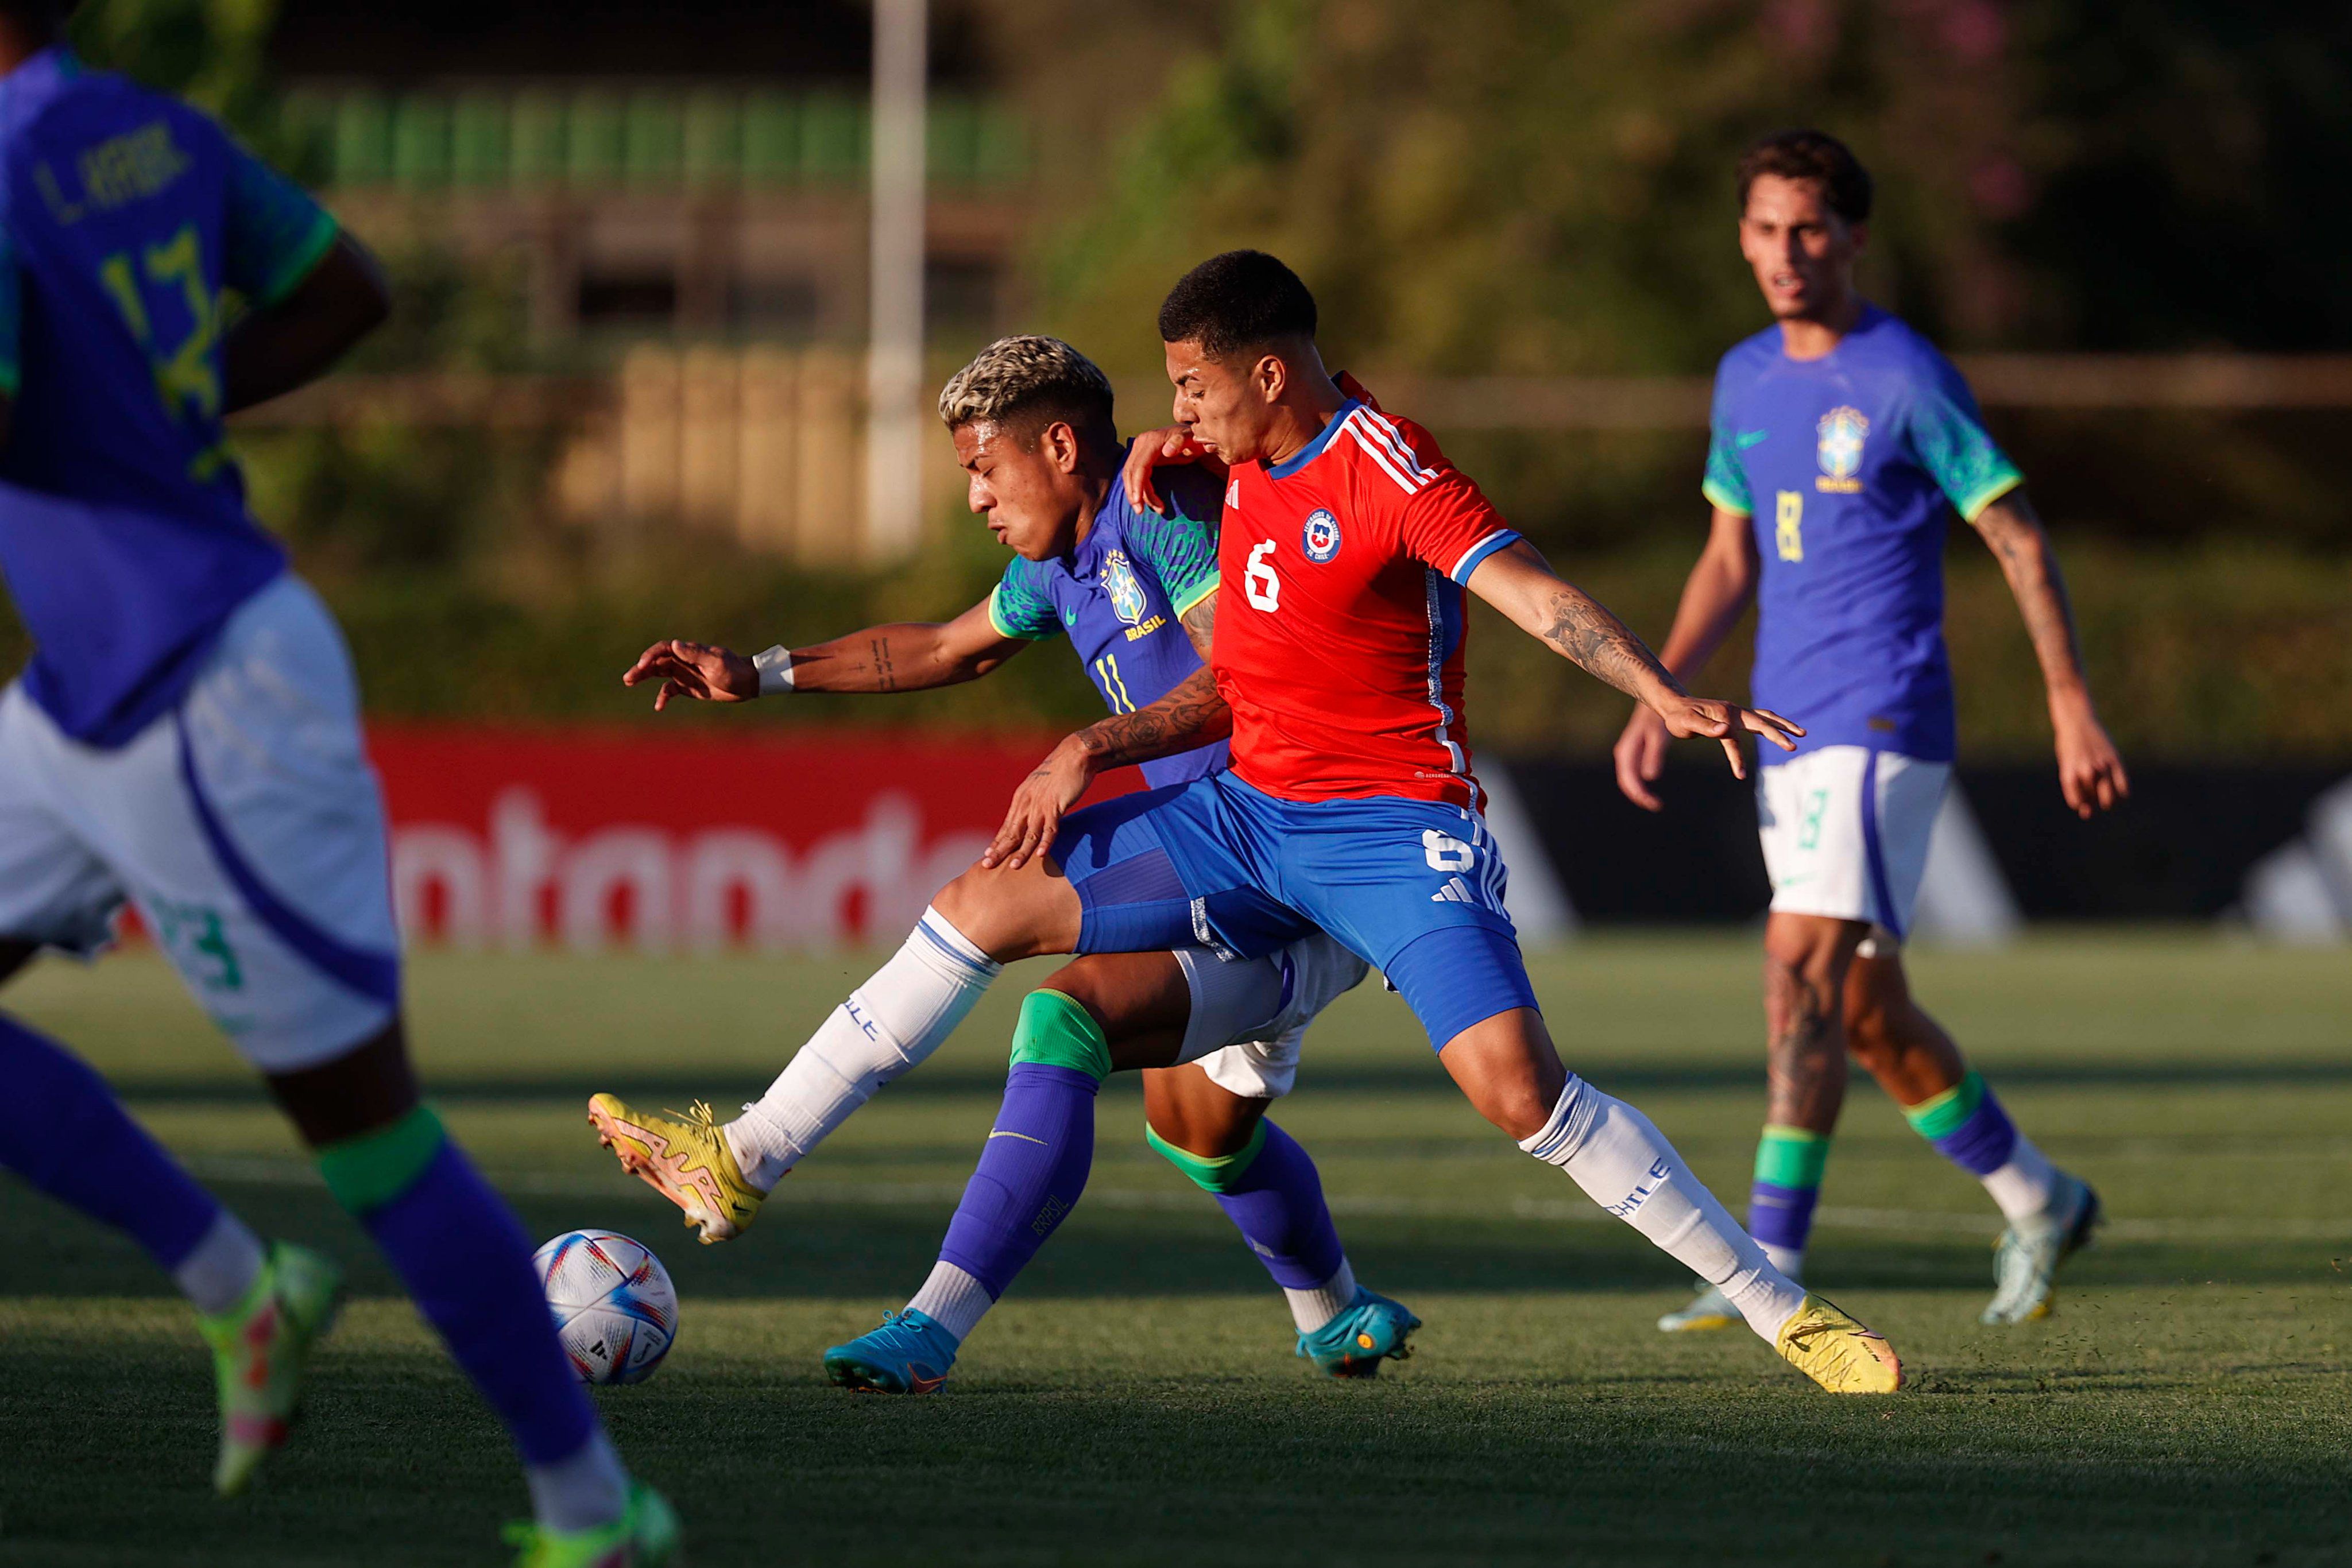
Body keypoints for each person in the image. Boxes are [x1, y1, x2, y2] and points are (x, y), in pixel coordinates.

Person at [830, 248, 1904, 1396]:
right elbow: (1158, 459)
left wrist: (1654, 688)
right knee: (1078, 1003)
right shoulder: (1218, 450)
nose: (1176, 410)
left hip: (1393, 827)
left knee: (1518, 1090)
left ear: (1273, 376)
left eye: (1192, 384)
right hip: (1251, 818)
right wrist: (1164, 439)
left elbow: (1528, 590)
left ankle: (1780, 1309)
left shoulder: (1387, 469)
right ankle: (854, 1237)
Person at [0, 9, 675, 1562]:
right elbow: (342, 292)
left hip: (202, 695)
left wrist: (126, 426)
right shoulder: (148, 135)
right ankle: (239, 1285)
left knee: (367, 1136)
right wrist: (156, 414)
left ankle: (596, 1505)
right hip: (84, 694)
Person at [595, 334, 1419, 1387]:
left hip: (1293, 861)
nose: (976, 498)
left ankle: (762, 1169)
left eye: (985, 469)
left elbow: (1246, 683)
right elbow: (947, 647)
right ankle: (1334, 1314)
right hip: (1219, 872)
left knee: (1007, 941)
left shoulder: (1169, 514)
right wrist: (760, 674)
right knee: (1201, 1128)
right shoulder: (1058, 566)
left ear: (1061, 445)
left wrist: (1085, 746)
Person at [1614, 131, 2124, 1333]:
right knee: (1867, 1017)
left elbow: (2012, 534)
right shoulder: (1742, 377)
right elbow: (1728, 553)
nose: (1784, 253)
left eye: (1806, 229)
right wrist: (1659, 687)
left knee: (1792, 968)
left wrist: (2066, 702)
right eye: (1762, 230)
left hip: (1881, 716)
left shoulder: (1903, 376)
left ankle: (1764, 1270)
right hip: (1783, 725)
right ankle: (2039, 1197)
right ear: (1739, 239)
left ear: (1849, 237)